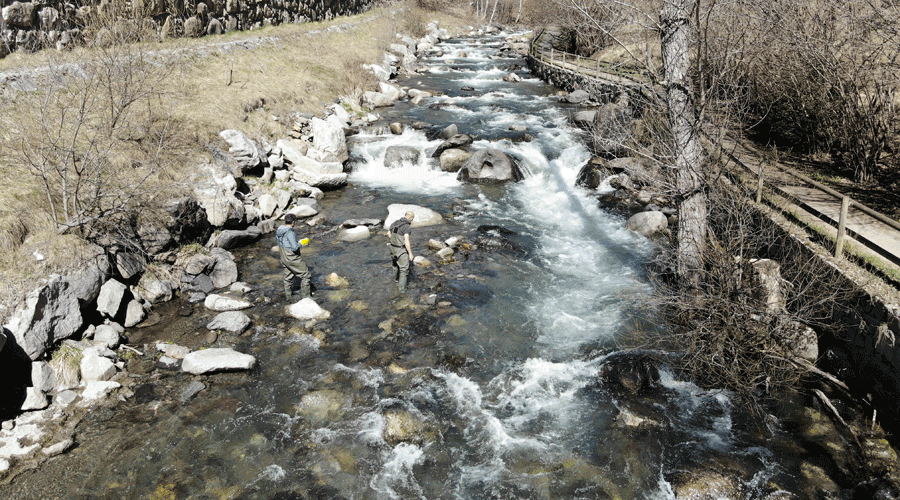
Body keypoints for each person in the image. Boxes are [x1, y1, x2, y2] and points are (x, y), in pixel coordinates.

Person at [276, 213, 311, 299]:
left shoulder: (280, 229)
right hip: (291, 257)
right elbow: (294, 247)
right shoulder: (290, 232)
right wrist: (301, 243)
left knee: (288, 277)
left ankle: (288, 297)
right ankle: (306, 298)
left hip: (283, 256)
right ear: (293, 222)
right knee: (306, 275)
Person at [388, 211, 415, 293]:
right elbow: (406, 240)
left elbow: (388, 233)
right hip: (400, 250)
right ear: (411, 218)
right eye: (412, 219)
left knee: (395, 266)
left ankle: (394, 282)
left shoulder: (395, 223)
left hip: (392, 248)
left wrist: (394, 241)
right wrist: (410, 254)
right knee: (404, 270)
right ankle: (402, 291)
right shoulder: (407, 227)